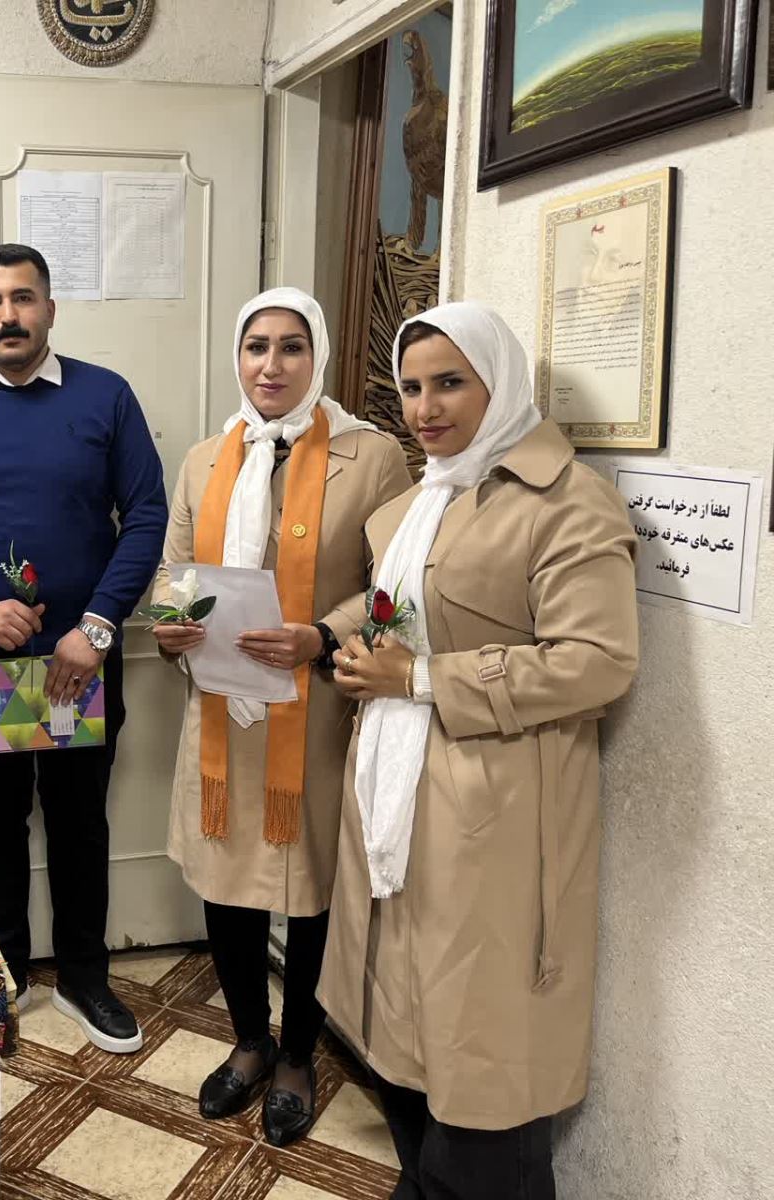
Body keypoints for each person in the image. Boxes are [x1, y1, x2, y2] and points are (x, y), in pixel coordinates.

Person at [320, 303, 639, 1198]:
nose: (426, 407)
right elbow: (404, 611)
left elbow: (598, 662)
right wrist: (341, 642)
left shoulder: (567, 503)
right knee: (407, 1034)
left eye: (451, 383)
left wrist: (422, 678)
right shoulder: (420, 501)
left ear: (500, 382)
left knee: (483, 1057)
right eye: (412, 387)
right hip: (402, 797)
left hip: (494, 816)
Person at [150, 288, 409, 1141]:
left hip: (317, 711)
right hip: (225, 714)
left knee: (308, 891)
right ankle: (250, 1042)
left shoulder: (372, 458)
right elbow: (175, 575)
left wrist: (321, 634)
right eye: (256, 346)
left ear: (317, 355)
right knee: (226, 882)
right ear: (238, 356)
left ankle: (298, 1053)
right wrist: (171, 625)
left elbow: (397, 588)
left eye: (291, 347)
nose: (271, 365)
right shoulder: (205, 459)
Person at [0, 243, 167, 1053]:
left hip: (78, 660)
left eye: (22, 298)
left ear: (50, 307)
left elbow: (145, 517)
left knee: (81, 821)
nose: (8, 316)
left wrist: (98, 627)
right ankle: (4, 975)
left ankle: (85, 978)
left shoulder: (105, 396)